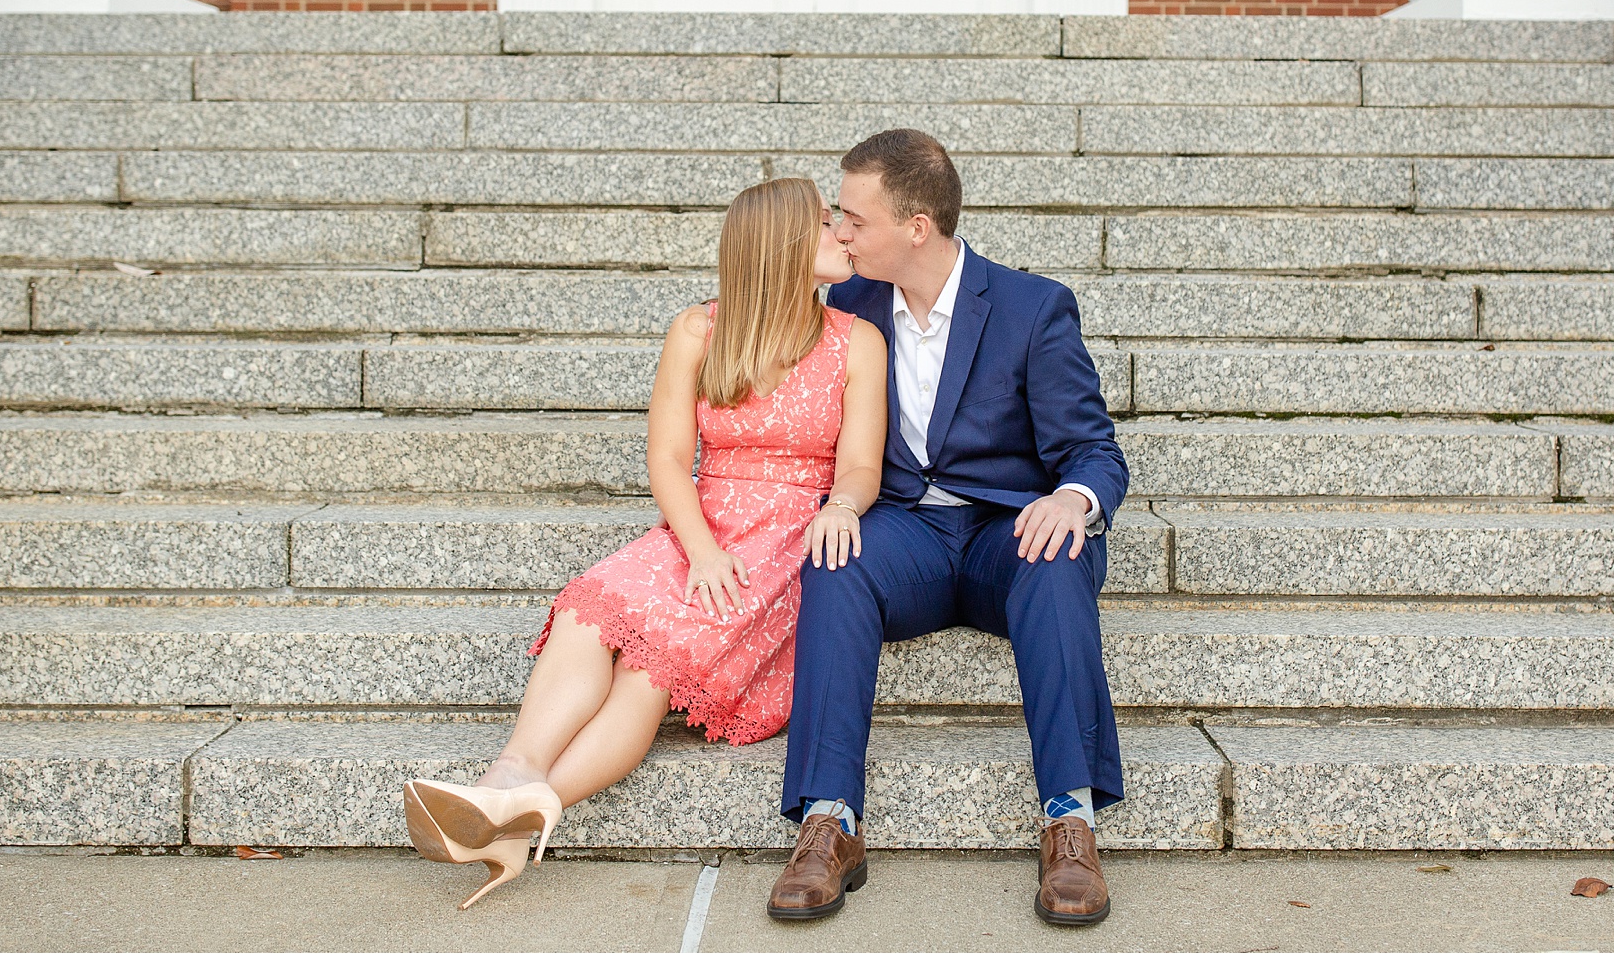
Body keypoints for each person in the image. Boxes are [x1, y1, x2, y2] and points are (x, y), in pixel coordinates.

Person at [404, 177, 888, 909]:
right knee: (588, 611)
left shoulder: (858, 341)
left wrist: (843, 505)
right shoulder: (699, 330)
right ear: (784, 247)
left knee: (651, 672)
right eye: (827, 226)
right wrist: (699, 548)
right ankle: (510, 776)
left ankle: (520, 812)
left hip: (789, 539)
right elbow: (668, 460)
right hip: (701, 524)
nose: (843, 236)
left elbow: (859, 464)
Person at [769, 129, 1129, 927]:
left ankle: (1070, 822)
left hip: (1009, 537)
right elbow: (762, 338)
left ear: (916, 227)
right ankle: (830, 823)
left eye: (853, 219)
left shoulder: (1034, 307)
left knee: (1060, 553)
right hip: (909, 540)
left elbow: (1094, 450)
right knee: (835, 562)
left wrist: (1073, 500)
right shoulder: (849, 303)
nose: (838, 232)